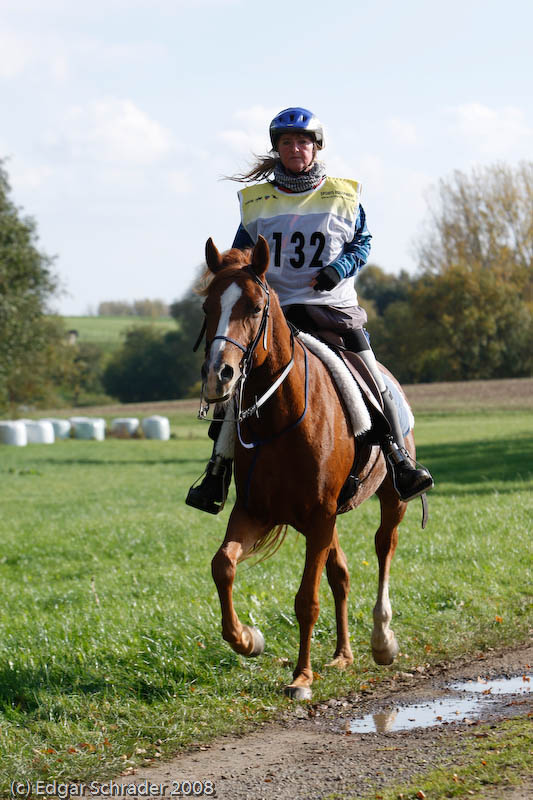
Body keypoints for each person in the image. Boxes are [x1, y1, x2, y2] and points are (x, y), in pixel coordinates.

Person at [186, 107, 433, 513]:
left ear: (316, 148)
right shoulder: (256, 201)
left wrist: (339, 269)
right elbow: (241, 255)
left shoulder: (343, 192)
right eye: (286, 143)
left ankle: (399, 458)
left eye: (302, 142)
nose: (295, 148)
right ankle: (218, 470)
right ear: (277, 149)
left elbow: (362, 242)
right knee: (236, 396)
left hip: (332, 310)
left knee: (374, 379)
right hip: (276, 316)